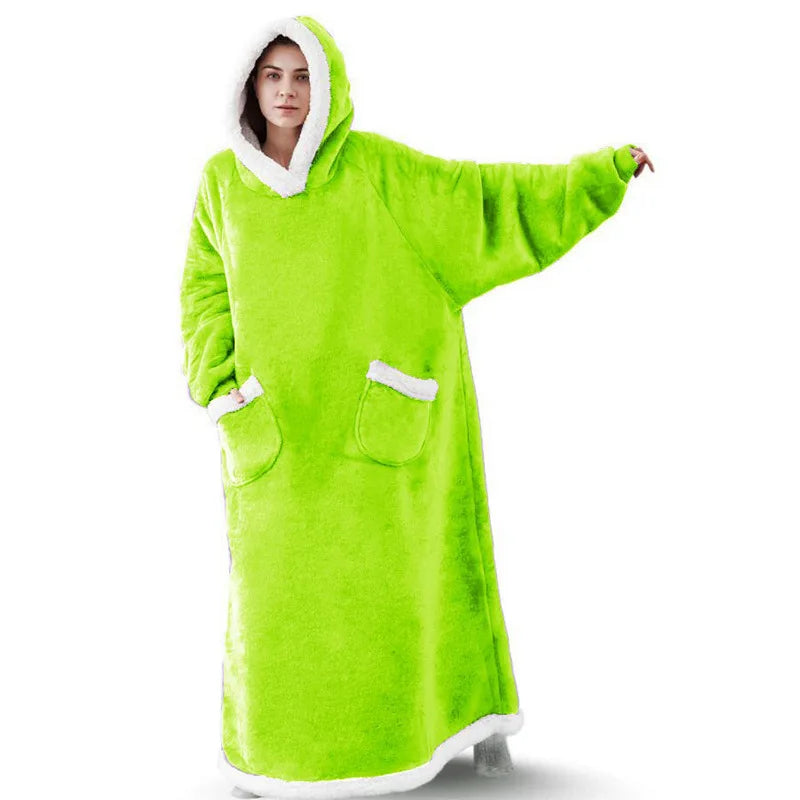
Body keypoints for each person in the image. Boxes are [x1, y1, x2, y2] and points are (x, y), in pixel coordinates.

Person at [179, 15, 653, 800]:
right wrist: (219, 387)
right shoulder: (221, 183)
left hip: (379, 447)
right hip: (273, 440)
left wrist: (597, 176)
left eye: (303, 76)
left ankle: (452, 725)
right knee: (277, 609)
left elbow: (488, 203)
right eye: (274, 76)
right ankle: (278, 751)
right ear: (250, 86)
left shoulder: (379, 173)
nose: (288, 92)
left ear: (327, 85)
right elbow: (202, 292)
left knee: (408, 589)